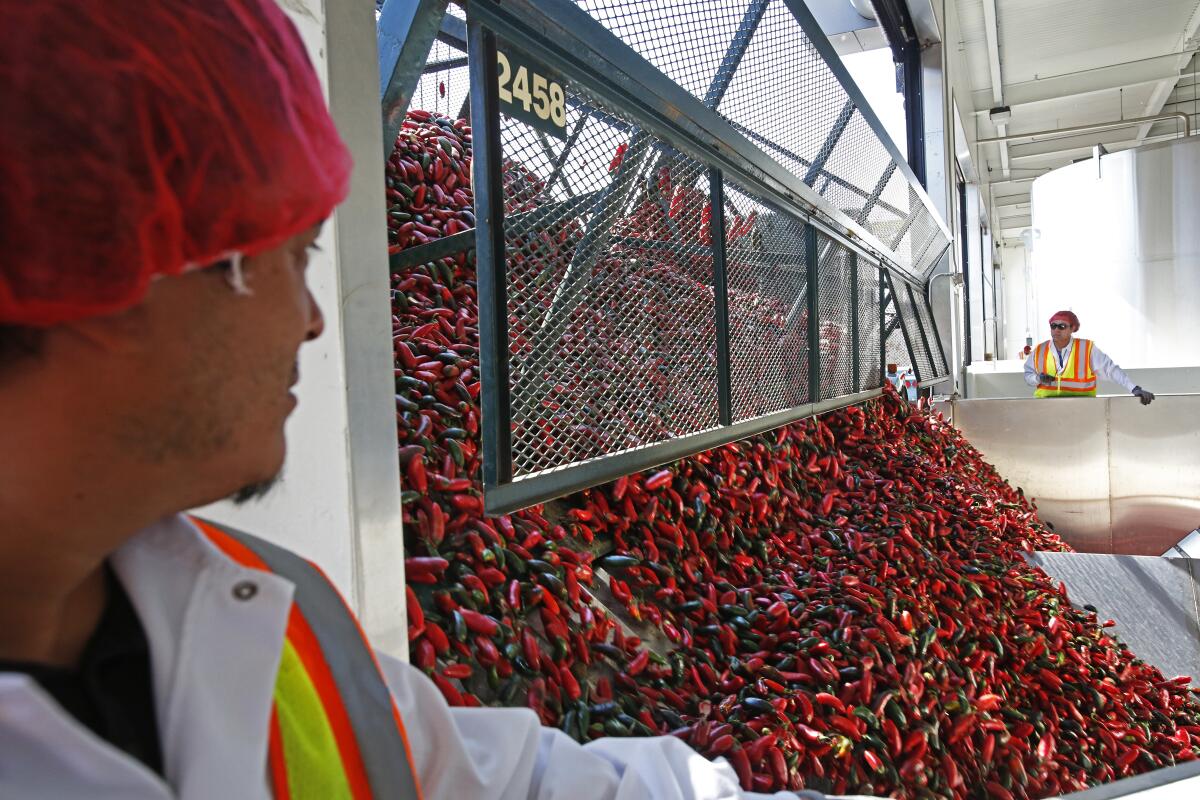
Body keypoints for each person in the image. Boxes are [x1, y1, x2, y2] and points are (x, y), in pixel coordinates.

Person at [0, 2, 871, 799]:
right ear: (115, 269)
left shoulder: (276, 623)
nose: (312, 321)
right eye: (293, 256)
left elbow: (508, 783)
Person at [1023, 311, 1155, 404]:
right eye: (1053, 326)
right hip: (1045, 407)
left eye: (1062, 326)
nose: (1056, 330)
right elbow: (1028, 377)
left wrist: (1134, 388)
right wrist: (1038, 378)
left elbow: (1110, 370)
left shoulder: (1087, 348)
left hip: (1083, 408)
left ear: (1072, 328)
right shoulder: (1039, 350)